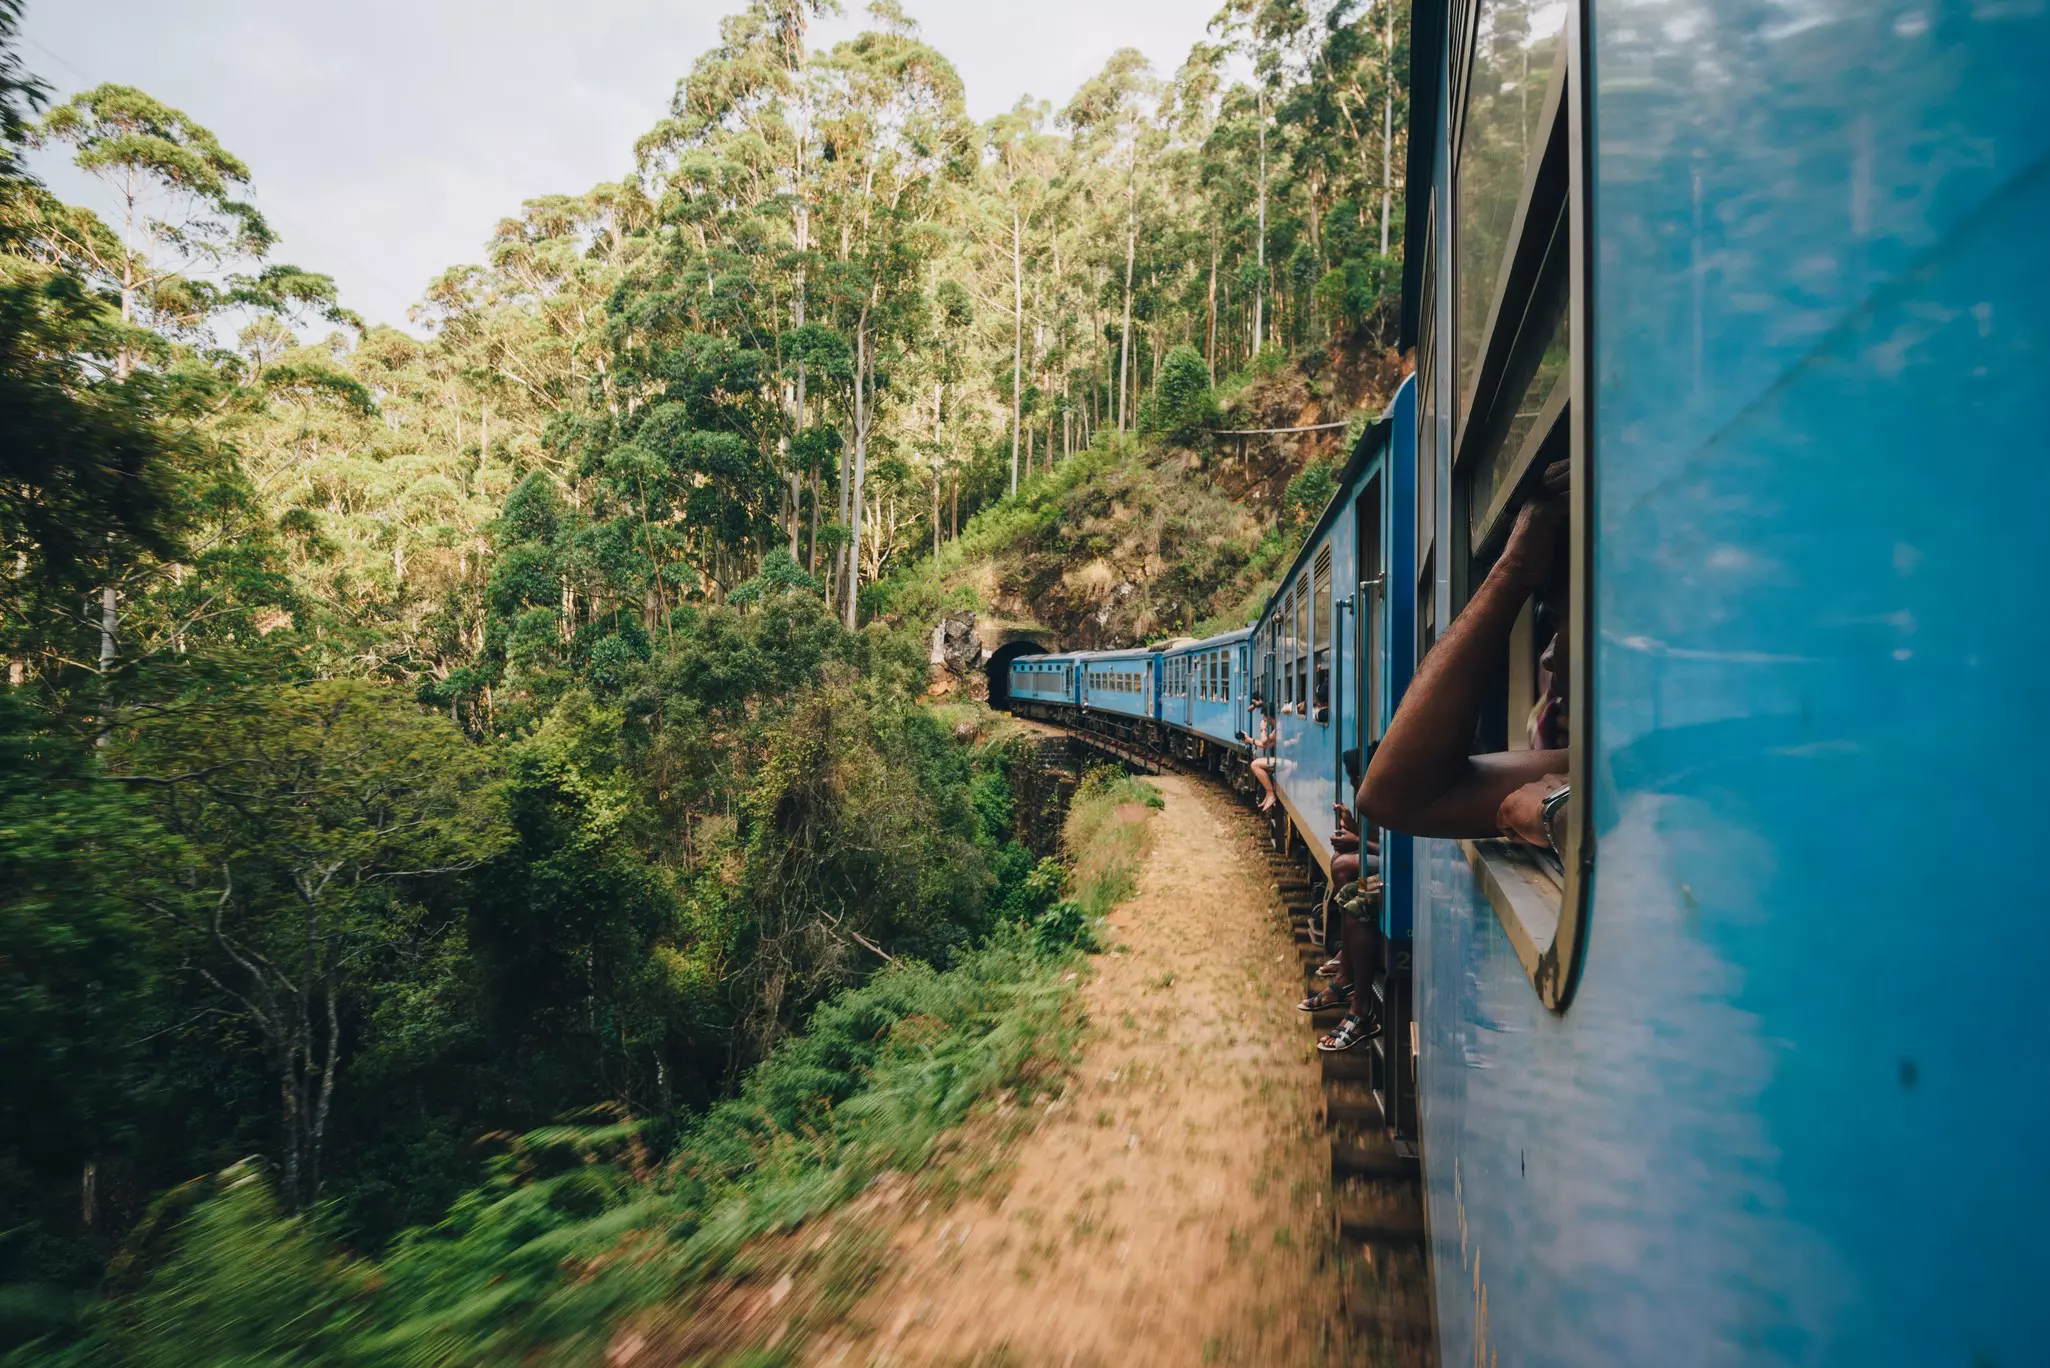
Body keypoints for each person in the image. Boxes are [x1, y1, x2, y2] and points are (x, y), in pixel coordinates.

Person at [1359, 462, 1571, 851]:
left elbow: (1396, 797)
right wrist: (1511, 568)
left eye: (1563, 619)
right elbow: (1392, 796)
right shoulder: (1608, 764)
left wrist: (1512, 570)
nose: (1548, 657)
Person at [1241, 694, 1279, 813]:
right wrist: (1249, 740)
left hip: (1286, 761)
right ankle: (1269, 794)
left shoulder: (1278, 728)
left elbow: (1264, 741)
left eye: (1264, 718)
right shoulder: (1277, 728)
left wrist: (1262, 729)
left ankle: (1270, 793)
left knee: (1255, 765)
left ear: (1269, 716)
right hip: (1285, 759)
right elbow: (1265, 745)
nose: (1264, 720)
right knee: (1256, 764)